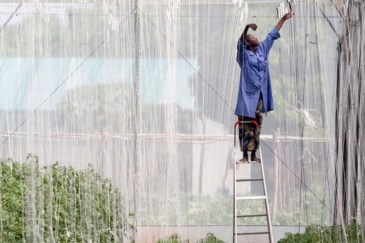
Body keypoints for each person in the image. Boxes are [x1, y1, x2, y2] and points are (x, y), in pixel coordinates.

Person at [235, 12, 294, 163]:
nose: (256, 38)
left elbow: (272, 35)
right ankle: (244, 155)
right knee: (245, 125)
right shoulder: (244, 55)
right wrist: (247, 27)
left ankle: (253, 154)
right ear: (248, 43)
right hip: (247, 96)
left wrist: (283, 19)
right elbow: (239, 43)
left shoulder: (262, 50)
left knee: (257, 125)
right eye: (252, 38)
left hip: (260, 96)